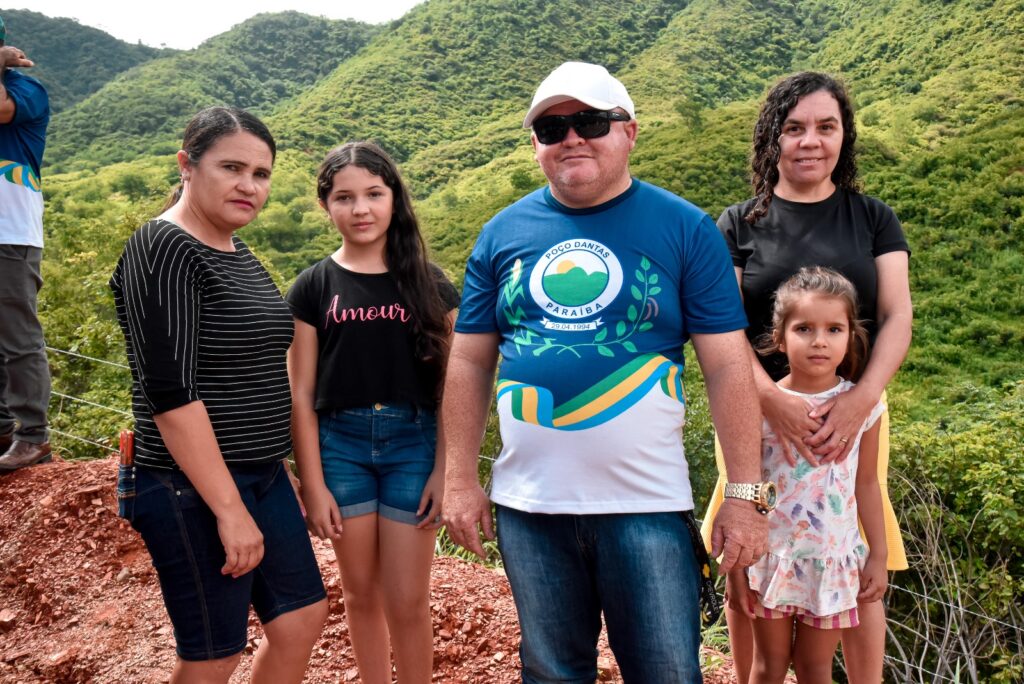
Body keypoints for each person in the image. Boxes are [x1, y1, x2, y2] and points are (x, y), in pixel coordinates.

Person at [442, 61, 769, 683]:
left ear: (629, 132)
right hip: (529, 508)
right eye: (551, 127)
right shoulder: (501, 233)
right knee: (552, 672)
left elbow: (727, 366)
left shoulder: (685, 228)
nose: (571, 137)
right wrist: (459, 478)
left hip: (645, 506)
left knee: (667, 672)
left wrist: (746, 496)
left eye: (589, 120)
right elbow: (469, 358)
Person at [699, 71, 912, 683]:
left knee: (856, 536)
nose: (810, 141)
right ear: (773, 138)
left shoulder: (873, 218)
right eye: (794, 128)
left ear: (844, 137)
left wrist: (863, 397)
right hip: (752, 411)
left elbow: (898, 314)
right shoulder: (737, 224)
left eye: (826, 126)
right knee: (749, 536)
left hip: (851, 408)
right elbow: (720, 326)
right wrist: (769, 399)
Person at [109, 107, 328, 683]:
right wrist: (230, 510)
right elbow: (169, 392)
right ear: (186, 165)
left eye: (261, 174)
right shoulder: (162, 248)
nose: (248, 185)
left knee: (303, 617)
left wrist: (279, 467)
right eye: (232, 167)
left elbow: (251, 369)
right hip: (190, 485)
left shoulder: (237, 251)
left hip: (261, 474)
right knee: (213, 656)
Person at [286, 141, 458, 684]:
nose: (360, 209)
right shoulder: (313, 286)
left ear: (393, 199)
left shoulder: (429, 282)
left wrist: (446, 471)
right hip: (341, 447)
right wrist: (312, 484)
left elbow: (458, 389)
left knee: (408, 598)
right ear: (326, 205)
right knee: (360, 594)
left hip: (415, 444)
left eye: (373, 194)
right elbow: (301, 390)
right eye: (345, 197)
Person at [727, 266, 888, 683]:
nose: (820, 341)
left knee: (816, 668)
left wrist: (879, 555)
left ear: (851, 335)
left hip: (831, 562)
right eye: (804, 328)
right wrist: (738, 566)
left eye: (834, 329)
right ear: (780, 337)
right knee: (768, 666)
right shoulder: (761, 406)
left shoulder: (864, 407)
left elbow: (867, 484)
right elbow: (744, 490)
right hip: (769, 561)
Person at [0, 13, 53, 471]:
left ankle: (32, 435)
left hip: (10, 232)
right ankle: (1, 428)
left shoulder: (25, 90)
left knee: (18, 338)